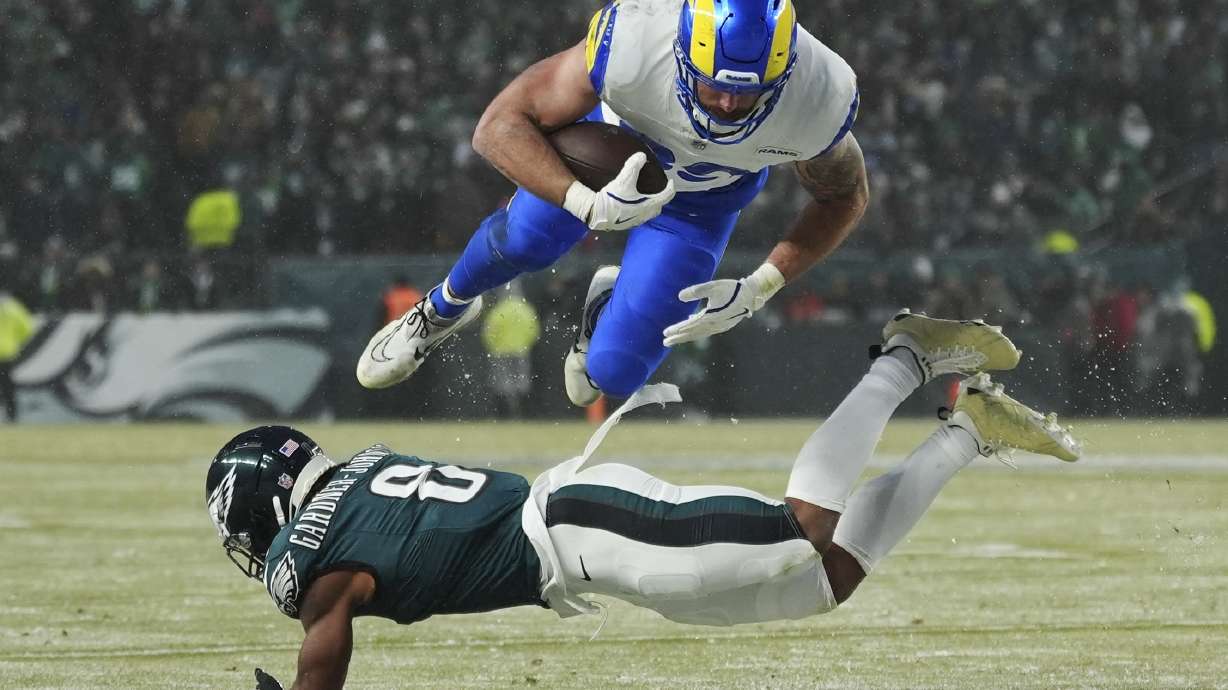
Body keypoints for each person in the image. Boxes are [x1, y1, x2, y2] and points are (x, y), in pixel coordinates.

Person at [211, 314, 1080, 690]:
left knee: (798, 530)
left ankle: (904, 357)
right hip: (585, 540)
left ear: (264, 502)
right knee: (820, 580)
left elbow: (327, 631)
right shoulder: (362, 469)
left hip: (580, 526)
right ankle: (971, 431)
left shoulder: (309, 554)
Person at [356, 0, 867, 408]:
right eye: (714, 86)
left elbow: (844, 196)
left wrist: (762, 285)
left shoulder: (821, 94)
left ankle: (602, 309)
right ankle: (442, 308)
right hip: (599, 173)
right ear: (684, 50)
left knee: (613, 374)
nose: (729, 104)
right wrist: (582, 202)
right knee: (526, 240)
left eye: (748, 93)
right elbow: (498, 127)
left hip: (699, 209)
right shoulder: (633, 39)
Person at [0, 283, 35, 422]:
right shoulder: (14, 308)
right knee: (8, 386)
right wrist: (16, 341)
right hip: (7, 352)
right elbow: (27, 329)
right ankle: (12, 416)